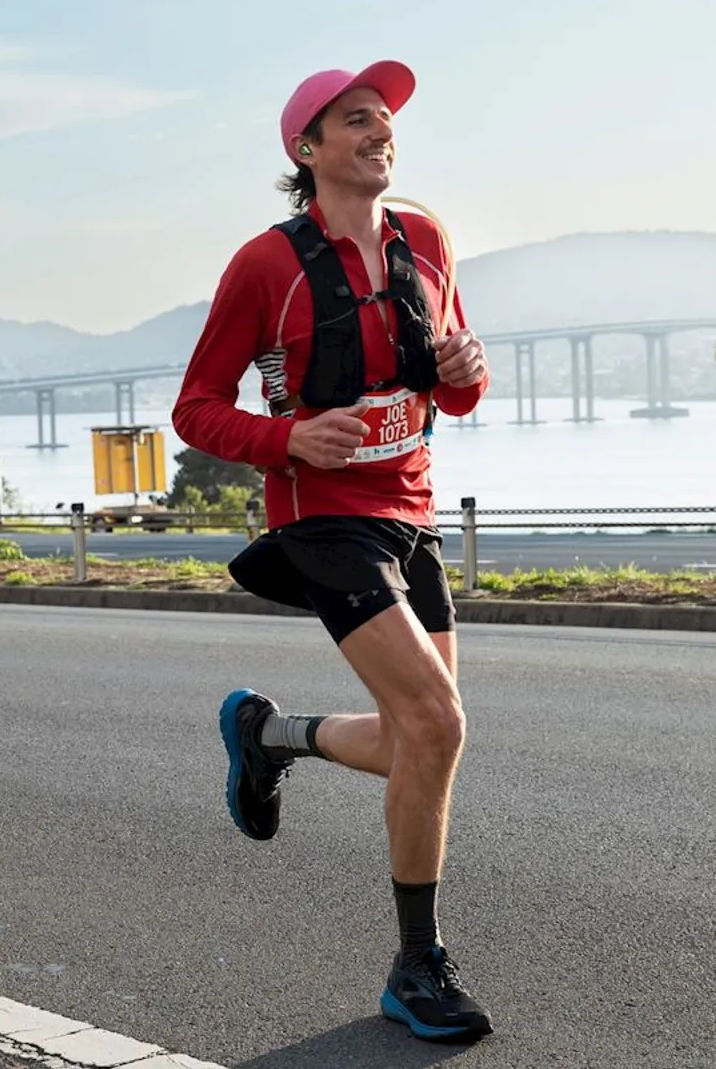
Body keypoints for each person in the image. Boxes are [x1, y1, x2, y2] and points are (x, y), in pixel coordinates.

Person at [171, 60, 494, 1043]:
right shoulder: (265, 266)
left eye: (385, 117)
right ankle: (416, 964)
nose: (380, 129)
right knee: (439, 720)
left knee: (414, 741)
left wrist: (467, 369)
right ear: (307, 150)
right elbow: (197, 408)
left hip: (411, 514)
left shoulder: (427, 238)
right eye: (357, 118)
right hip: (323, 520)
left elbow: (457, 389)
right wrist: (289, 438)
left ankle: (268, 734)